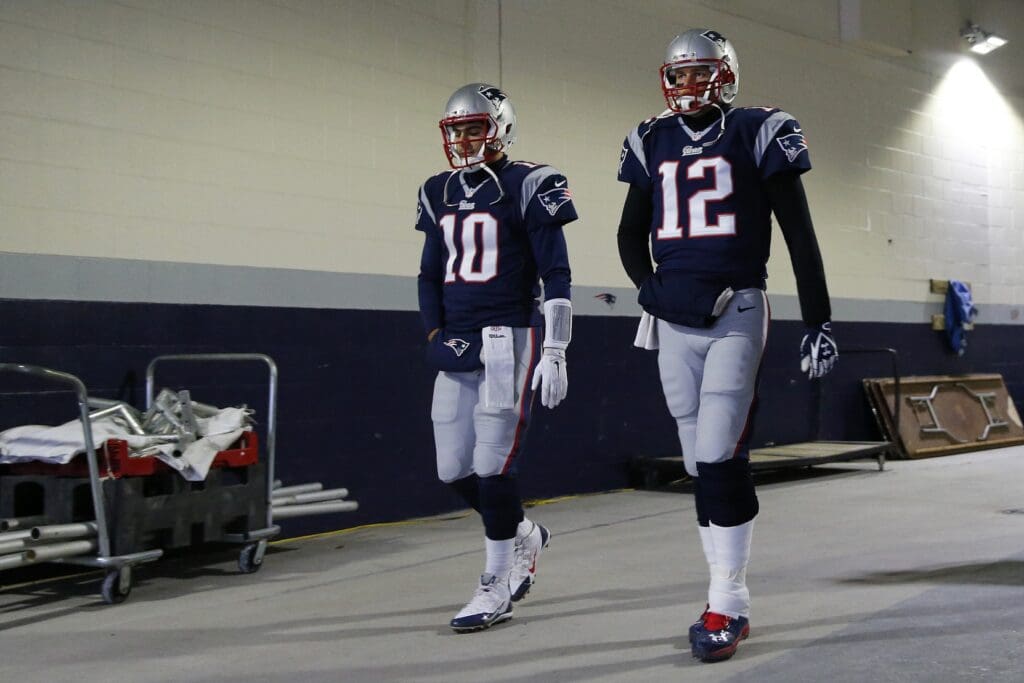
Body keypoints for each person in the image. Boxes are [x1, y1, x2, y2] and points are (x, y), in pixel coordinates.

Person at [616, 29, 838, 662]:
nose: (688, 85)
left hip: (737, 306)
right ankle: (720, 588)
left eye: (700, 73)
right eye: (678, 76)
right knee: (696, 460)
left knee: (718, 453)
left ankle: (728, 600)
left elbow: (799, 233)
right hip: (674, 319)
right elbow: (631, 235)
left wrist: (817, 318)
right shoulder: (650, 137)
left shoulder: (757, 128)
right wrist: (651, 292)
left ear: (727, 74)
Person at [416, 83, 578, 632]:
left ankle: (496, 583)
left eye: (474, 127)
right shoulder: (436, 190)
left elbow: (556, 272)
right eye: (455, 129)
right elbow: (428, 273)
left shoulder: (530, 182)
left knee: (492, 464)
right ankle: (525, 534)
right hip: (457, 339)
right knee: (451, 468)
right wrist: (434, 330)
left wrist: (555, 345)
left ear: (500, 128)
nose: (463, 138)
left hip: (508, 336)